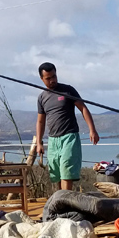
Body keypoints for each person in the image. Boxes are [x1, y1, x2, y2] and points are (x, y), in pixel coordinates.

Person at [35, 62, 99, 191]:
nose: (52, 80)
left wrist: (92, 130)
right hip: (53, 140)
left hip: (69, 137)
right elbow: (40, 122)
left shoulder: (68, 90)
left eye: (54, 76)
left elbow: (83, 109)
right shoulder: (42, 97)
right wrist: (39, 143)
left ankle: (66, 203)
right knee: (56, 174)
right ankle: (60, 202)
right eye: (48, 78)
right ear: (42, 79)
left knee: (66, 171)